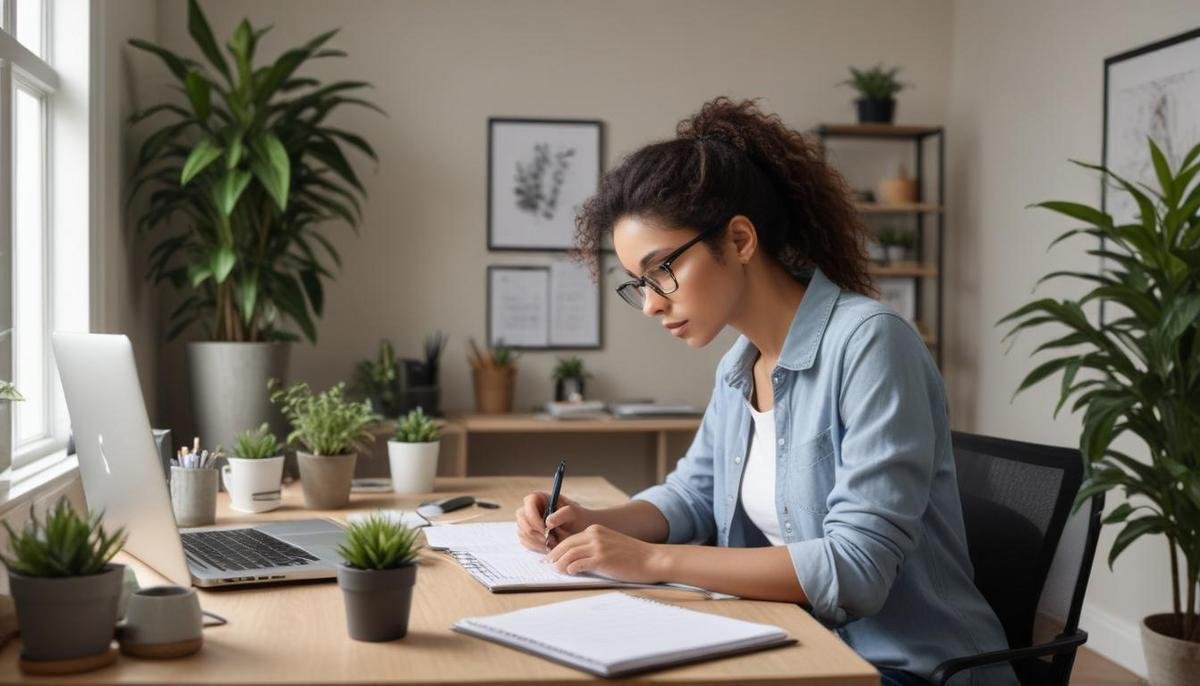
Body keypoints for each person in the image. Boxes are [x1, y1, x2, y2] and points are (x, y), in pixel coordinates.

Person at [514, 98, 1017, 686]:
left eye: (662, 271)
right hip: (793, 643)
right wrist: (595, 523)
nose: (650, 303)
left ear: (740, 239)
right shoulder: (740, 363)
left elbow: (856, 569)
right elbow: (694, 497)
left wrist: (649, 560)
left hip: (902, 666)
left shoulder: (872, 344)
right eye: (638, 284)